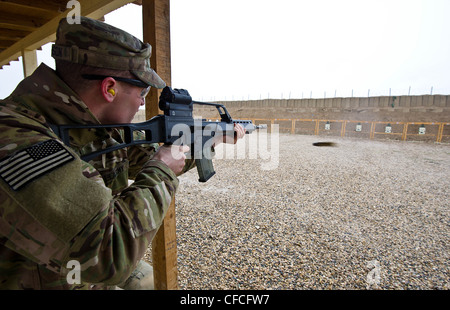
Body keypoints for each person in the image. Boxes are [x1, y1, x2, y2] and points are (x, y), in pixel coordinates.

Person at [0, 16, 244, 290]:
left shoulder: (96, 125)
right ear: (109, 88)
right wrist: (162, 170)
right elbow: (107, 251)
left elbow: (147, 156)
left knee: (150, 283)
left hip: (82, 279)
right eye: (141, 90)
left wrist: (210, 139)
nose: (143, 100)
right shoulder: (15, 136)